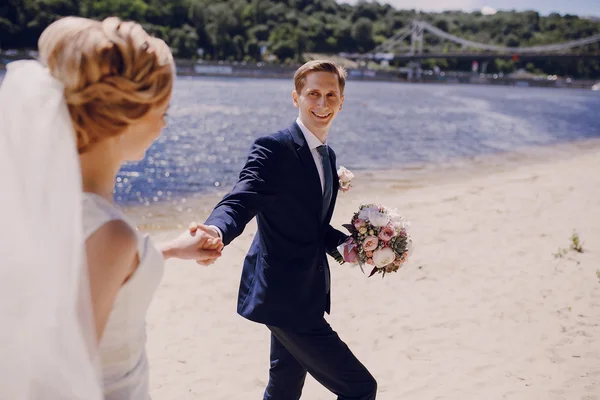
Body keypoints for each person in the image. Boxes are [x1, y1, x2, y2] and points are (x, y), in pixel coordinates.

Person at [0, 16, 222, 400]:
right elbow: (58, 383)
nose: (164, 127)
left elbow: (87, 271)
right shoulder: (110, 233)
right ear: (127, 117)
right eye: (163, 112)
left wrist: (169, 250)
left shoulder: (56, 203)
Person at [192, 60, 377, 399]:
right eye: (313, 94)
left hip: (307, 292)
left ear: (342, 101)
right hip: (283, 295)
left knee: (284, 387)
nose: (322, 104)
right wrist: (217, 231)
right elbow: (241, 198)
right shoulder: (273, 148)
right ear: (296, 98)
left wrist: (354, 246)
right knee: (361, 388)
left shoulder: (328, 156)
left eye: (331, 95)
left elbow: (313, 226)